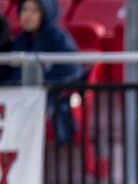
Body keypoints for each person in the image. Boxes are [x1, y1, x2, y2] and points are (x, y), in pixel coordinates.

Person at [9, 0, 87, 143]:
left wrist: (41, 83)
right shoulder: (20, 41)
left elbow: (70, 70)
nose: (27, 15)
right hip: (22, 99)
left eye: (34, 11)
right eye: (24, 10)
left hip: (50, 97)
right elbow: (14, 74)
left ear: (44, 14)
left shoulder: (58, 39)